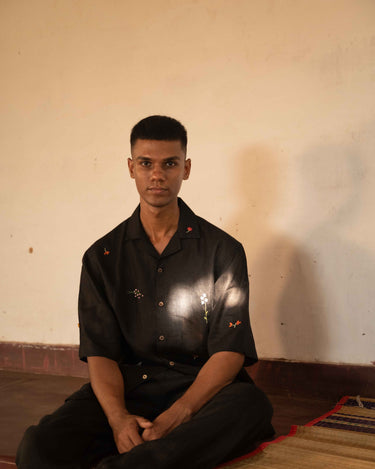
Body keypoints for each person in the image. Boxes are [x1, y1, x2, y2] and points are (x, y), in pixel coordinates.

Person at [16, 115, 274, 469]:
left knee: (251, 407)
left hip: (199, 390)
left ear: (185, 168)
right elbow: (101, 353)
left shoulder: (223, 251)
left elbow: (230, 352)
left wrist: (181, 412)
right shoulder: (102, 257)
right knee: (39, 446)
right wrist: (118, 418)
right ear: (130, 168)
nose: (157, 175)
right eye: (146, 163)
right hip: (129, 387)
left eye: (169, 164)